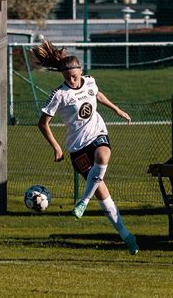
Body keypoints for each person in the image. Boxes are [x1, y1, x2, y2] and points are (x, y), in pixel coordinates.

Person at [32, 40, 139, 255]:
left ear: (81, 70)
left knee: (104, 155)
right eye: (67, 77)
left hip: (97, 134)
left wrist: (116, 109)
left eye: (74, 75)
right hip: (77, 147)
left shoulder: (89, 81)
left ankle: (83, 201)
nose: (72, 79)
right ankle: (127, 236)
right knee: (104, 195)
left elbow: (96, 94)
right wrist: (56, 147)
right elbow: (43, 123)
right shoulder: (60, 95)